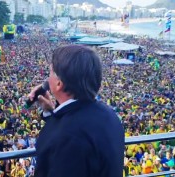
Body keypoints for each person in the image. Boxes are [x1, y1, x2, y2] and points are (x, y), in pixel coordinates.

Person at [28, 45, 125, 177]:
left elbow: (65, 139)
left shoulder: (63, 138)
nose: (47, 79)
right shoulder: (110, 116)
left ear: (59, 84)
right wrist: (51, 112)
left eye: (50, 72)